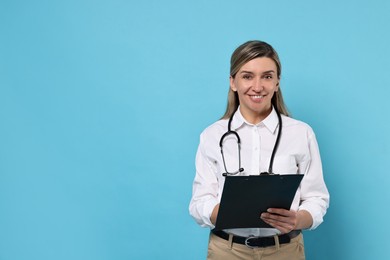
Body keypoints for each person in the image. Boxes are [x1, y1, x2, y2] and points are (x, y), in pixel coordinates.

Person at [189, 40, 329, 260]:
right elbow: (199, 202)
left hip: (285, 251)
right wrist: (228, 214)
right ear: (233, 82)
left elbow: (317, 198)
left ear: (277, 82)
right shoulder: (212, 135)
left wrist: (297, 219)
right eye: (247, 76)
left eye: (267, 76)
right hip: (228, 251)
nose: (257, 86)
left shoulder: (301, 133)